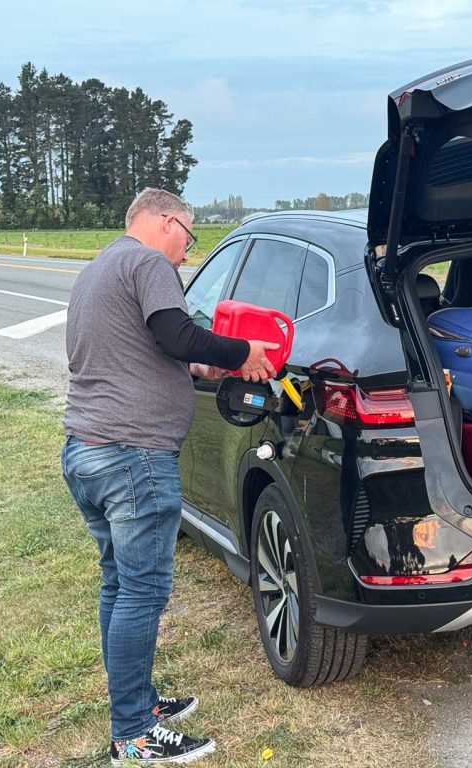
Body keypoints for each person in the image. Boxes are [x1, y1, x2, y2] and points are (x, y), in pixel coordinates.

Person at [61, 188, 276, 765]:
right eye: (188, 235)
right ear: (164, 220)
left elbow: (147, 349)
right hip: (132, 458)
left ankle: (138, 703)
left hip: (87, 450)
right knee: (143, 591)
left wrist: (199, 364)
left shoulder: (99, 269)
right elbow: (175, 334)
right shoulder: (148, 262)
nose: (186, 252)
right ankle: (131, 733)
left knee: (119, 583)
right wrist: (241, 351)